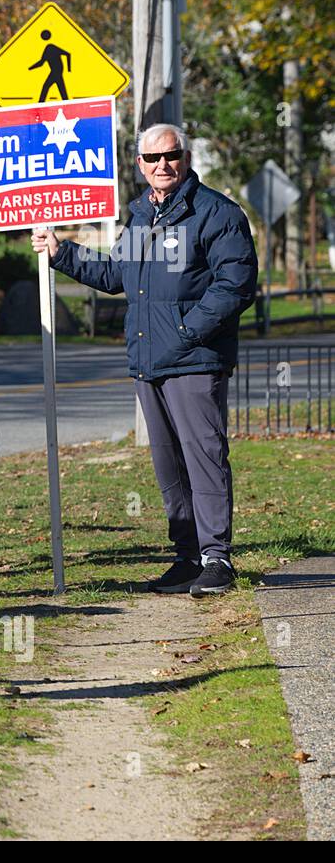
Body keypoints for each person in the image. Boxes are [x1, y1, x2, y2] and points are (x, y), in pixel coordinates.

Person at [32, 124, 258, 597]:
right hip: (148, 361)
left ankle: (217, 557)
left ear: (186, 156)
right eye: (152, 159)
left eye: (171, 155)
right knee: (168, 465)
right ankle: (187, 556)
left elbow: (234, 285)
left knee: (204, 457)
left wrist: (186, 332)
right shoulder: (140, 217)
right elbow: (118, 275)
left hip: (194, 360)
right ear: (139, 164)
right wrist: (61, 253)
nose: (163, 165)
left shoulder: (216, 214)